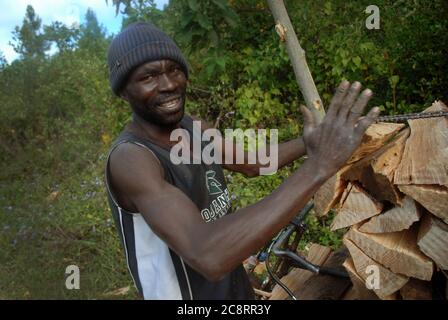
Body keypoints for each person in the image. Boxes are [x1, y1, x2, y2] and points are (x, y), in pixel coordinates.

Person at [105, 22, 379, 300]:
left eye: (174, 70)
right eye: (148, 77)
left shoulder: (193, 128)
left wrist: (312, 143)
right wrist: (318, 167)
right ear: (124, 91)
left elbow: (253, 163)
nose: (169, 85)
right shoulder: (132, 159)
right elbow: (208, 254)